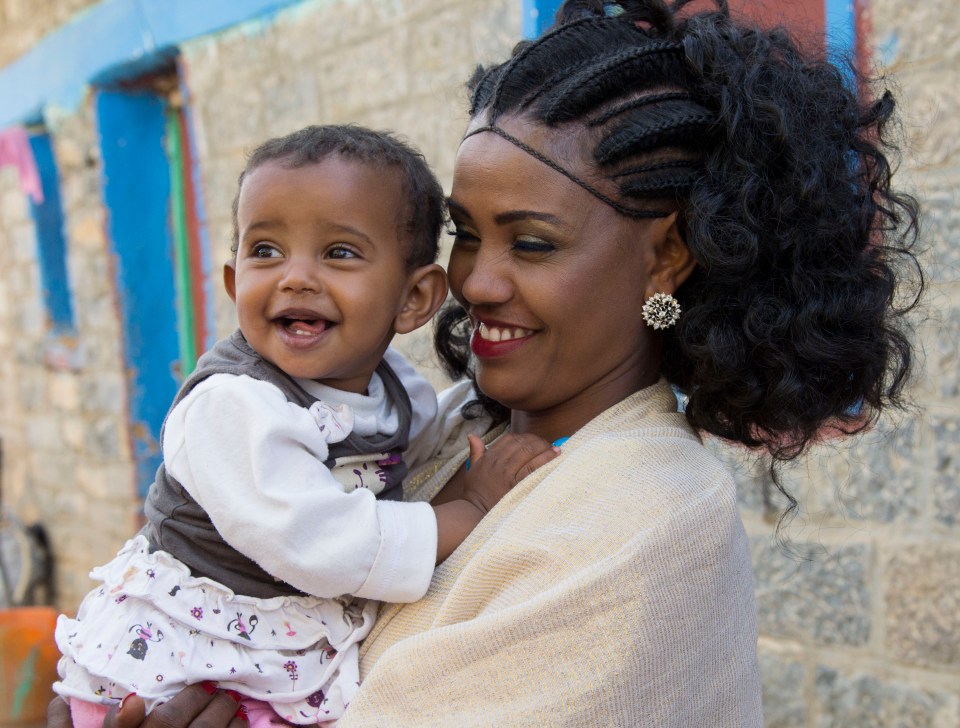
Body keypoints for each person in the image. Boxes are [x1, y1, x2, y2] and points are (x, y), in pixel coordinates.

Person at [49, 0, 922, 725]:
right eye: (466, 234)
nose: (474, 279)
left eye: (533, 244)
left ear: (667, 258)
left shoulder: (647, 518)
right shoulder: (450, 418)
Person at [52, 125, 560, 728]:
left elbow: (421, 442)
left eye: (339, 252)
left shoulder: (390, 384)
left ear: (414, 299)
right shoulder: (231, 405)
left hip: (270, 654)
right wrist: (472, 504)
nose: (294, 276)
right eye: (265, 251)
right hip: (182, 659)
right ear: (235, 283)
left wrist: (488, 409)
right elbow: (321, 543)